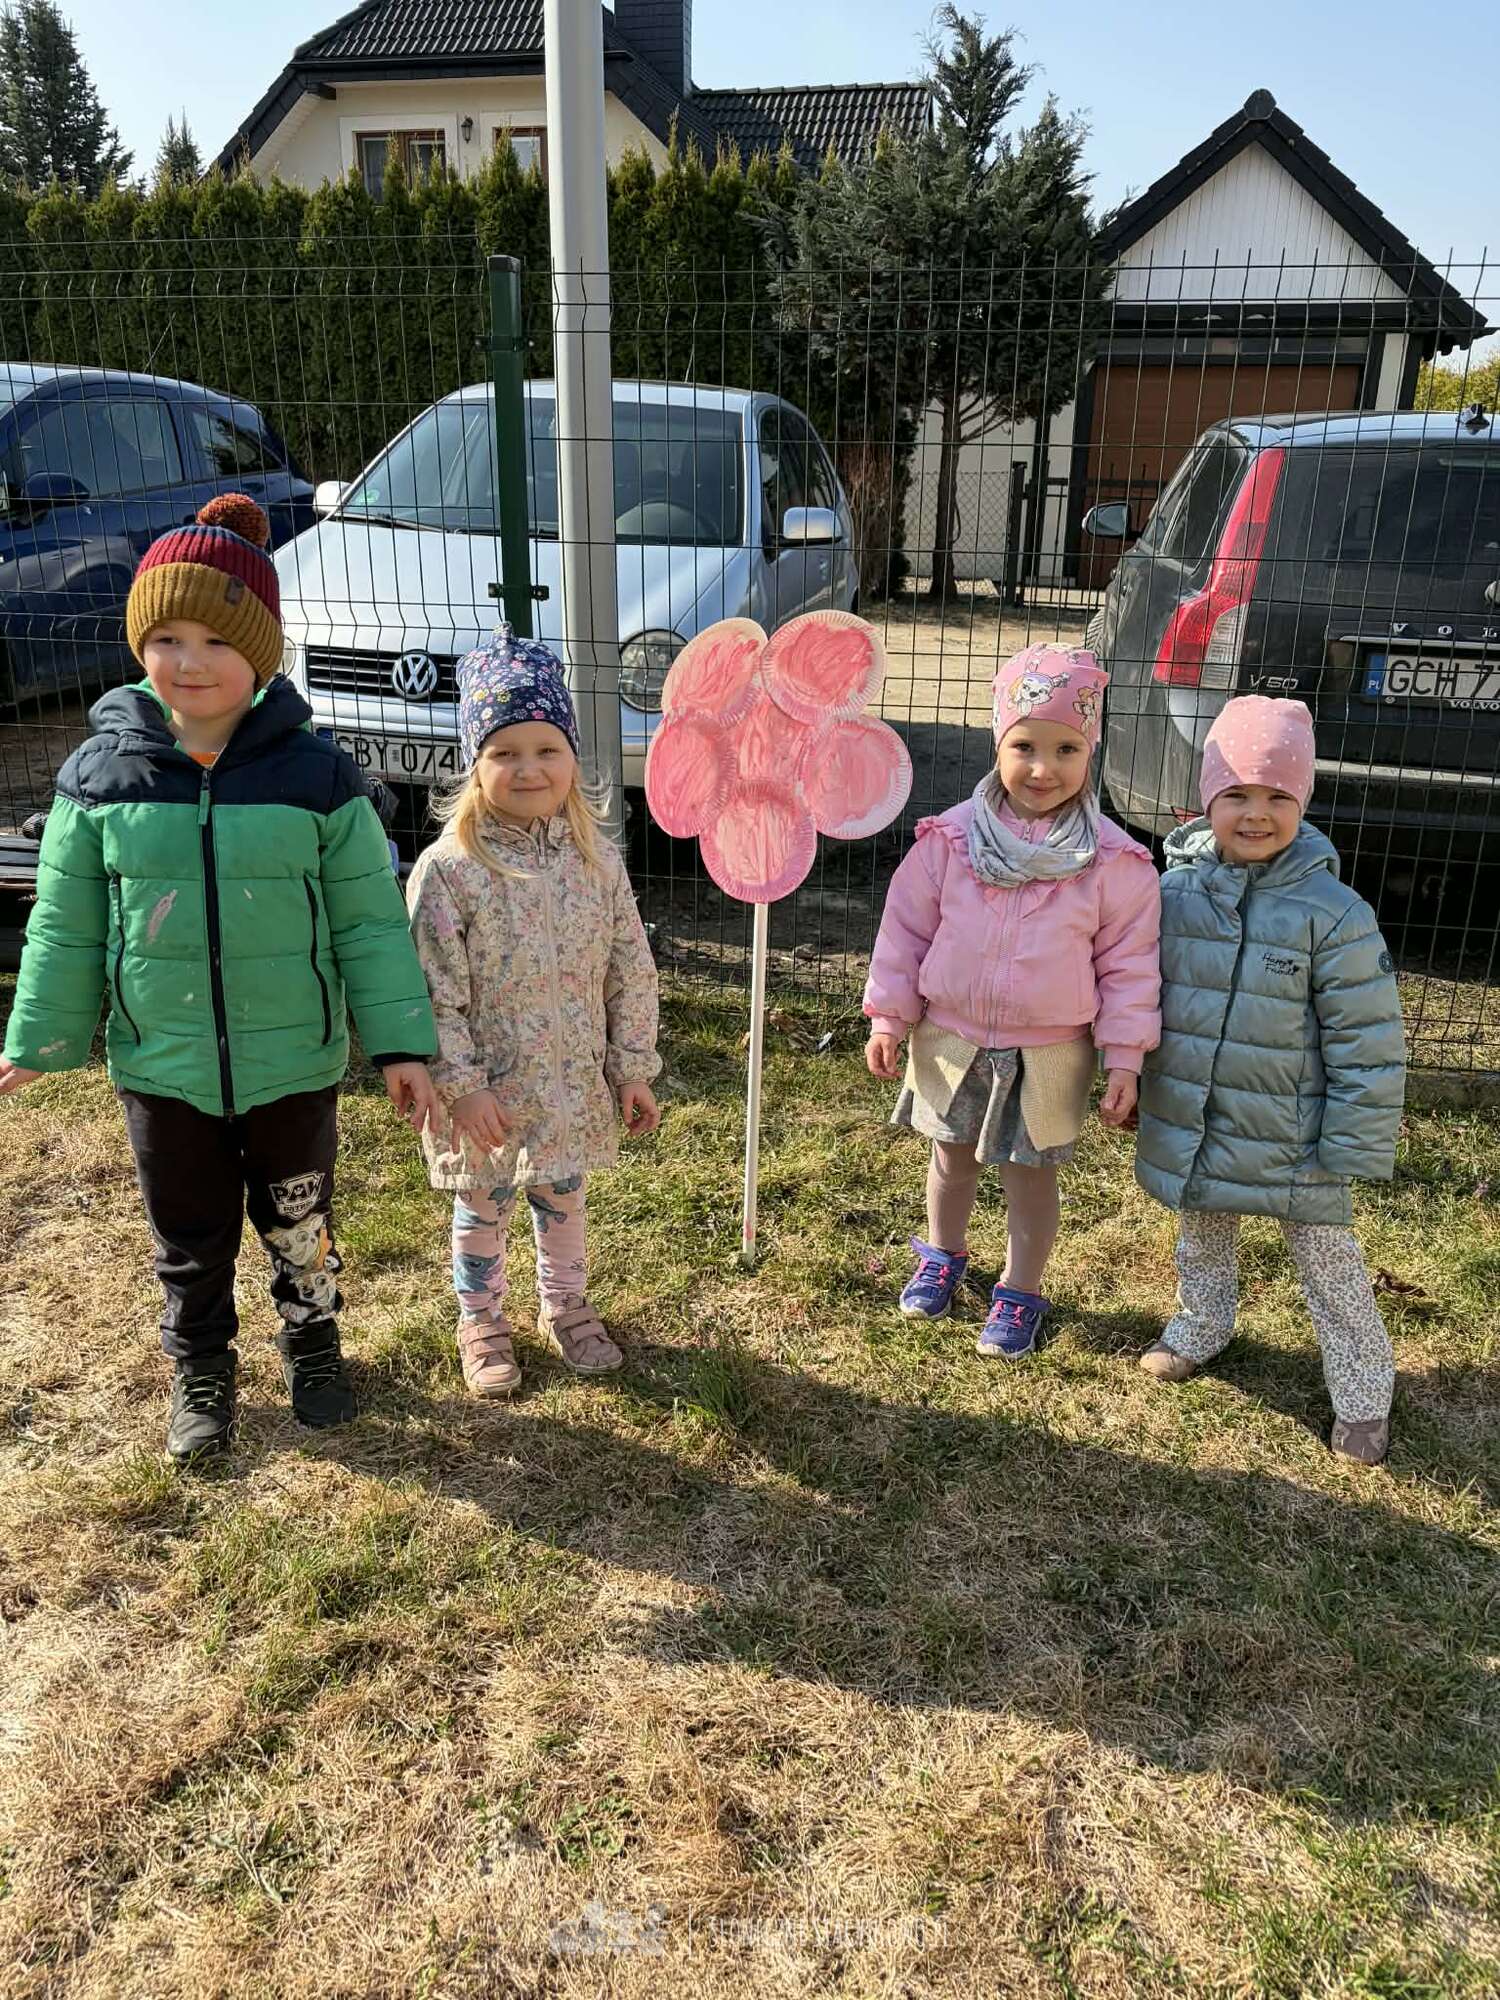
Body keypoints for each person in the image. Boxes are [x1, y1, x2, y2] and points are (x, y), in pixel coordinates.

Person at [0, 495, 441, 1464]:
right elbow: (66, 923)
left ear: (263, 654)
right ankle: (200, 1365)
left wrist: (402, 1046)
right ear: (138, 645)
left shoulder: (319, 779)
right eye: (166, 637)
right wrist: (39, 1037)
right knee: (189, 1235)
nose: (189, 661)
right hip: (163, 1067)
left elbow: (369, 923)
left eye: (215, 640)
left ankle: (312, 1338)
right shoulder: (99, 780)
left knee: (299, 1216)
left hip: (292, 1063)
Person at [864, 643, 1161, 1357]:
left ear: (1090, 752)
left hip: (1049, 1050)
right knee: (950, 1158)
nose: (1042, 768)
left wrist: (1125, 1058)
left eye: (1066, 749)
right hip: (952, 1037)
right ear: (998, 744)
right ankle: (943, 1253)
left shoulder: (1112, 863)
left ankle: (1021, 1288)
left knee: (1031, 1177)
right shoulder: (950, 842)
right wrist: (889, 1015)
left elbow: (1129, 968)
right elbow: (905, 931)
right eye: (1024, 746)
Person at [1134, 696, 1405, 1465]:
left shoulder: (1333, 913)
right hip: (1201, 1115)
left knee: (1329, 1265)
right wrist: (1139, 1084)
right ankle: (1201, 1326)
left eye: (1278, 796)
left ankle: (1363, 1392)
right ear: (1206, 800)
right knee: (1202, 1234)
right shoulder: (1172, 896)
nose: (1256, 813)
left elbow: (1367, 1038)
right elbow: (1143, 996)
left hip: (1297, 1136)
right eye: (1237, 794)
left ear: (1303, 801)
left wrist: (1352, 1140)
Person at [406, 628, 661, 1398]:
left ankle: (566, 1306)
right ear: (474, 763)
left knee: (564, 1198)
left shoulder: (597, 863)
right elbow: (431, 991)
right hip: (487, 1096)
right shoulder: (450, 872)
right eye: (504, 752)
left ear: (572, 758)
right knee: (481, 1208)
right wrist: (461, 1086)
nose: (528, 768)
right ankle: (482, 1321)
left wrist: (632, 1070)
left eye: (547, 749)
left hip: (570, 1084)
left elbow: (630, 970)